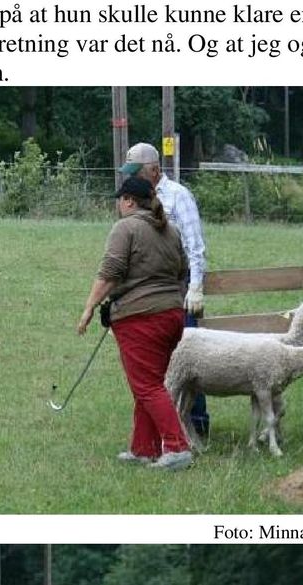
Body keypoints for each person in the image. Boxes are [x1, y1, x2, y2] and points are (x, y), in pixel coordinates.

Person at [77, 175, 194, 471]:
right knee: (148, 383)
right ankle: (143, 449)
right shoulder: (170, 230)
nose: (118, 204)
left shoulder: (125, 227)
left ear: (128, 200)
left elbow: (110, 271)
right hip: (172, 315)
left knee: (147, 386)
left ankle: (177, 448)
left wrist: (89, 307)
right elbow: (184, 272)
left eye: (120, 199)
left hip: (141, 319)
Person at [121, 141, 210, 440]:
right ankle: (163, 429)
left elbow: (195, 247)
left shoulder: (178, 196)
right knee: (156, 365)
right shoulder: (138, 200)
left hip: (178, 293)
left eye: (136, 172)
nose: (130, 179)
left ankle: (196, 422)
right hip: (148, 297)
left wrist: (195, 288)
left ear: (155, 170)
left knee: (187, 360)